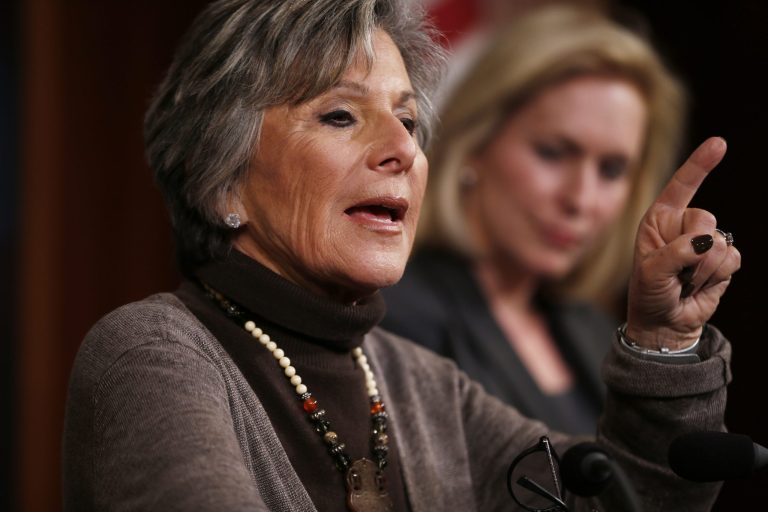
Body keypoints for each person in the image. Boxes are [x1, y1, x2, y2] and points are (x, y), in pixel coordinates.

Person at [61, 0, 739, 510]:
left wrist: (662, 340)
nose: (404, 150)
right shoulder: (150, 354)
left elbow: (622, 499)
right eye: (340, 115)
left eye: (409, 121)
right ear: (221, 182)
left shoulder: (418, 382)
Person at [381, 4, 688, 435]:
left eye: (611, 170)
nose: (580, 198)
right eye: (553, 152)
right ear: (475, 143)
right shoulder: (395, 319)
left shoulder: (597, 332)